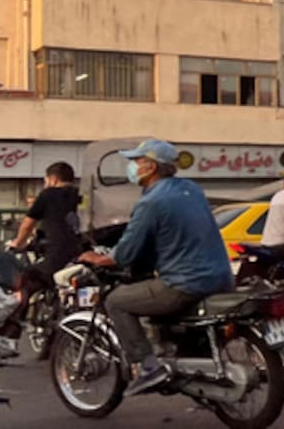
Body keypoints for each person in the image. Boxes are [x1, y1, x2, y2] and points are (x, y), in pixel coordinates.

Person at [77, 139, 234, 396]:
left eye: (136, 162)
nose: (132, 167)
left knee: (116, 301)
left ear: (150, 167)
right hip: (222, 277)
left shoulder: (151, 202)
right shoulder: (191, 189)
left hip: (185, 283)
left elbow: (126, 252)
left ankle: (148, 366)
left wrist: (99, 258)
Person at [7, 161, 82, 285]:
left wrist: (18, 243)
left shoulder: (48, 194)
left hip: (55, 253)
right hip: (79, 251)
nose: (45, 184)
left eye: (45, 181)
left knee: (26, 277)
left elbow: (28, 223)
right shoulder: (80, 195)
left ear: (53, 179)